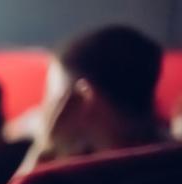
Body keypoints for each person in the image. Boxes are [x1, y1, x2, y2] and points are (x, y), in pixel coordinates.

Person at [17, 25, 167, 175]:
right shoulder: (167, 160)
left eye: (53, 96)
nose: (46, 107)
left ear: (84, 98)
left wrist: (45, 150)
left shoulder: (83, 181)